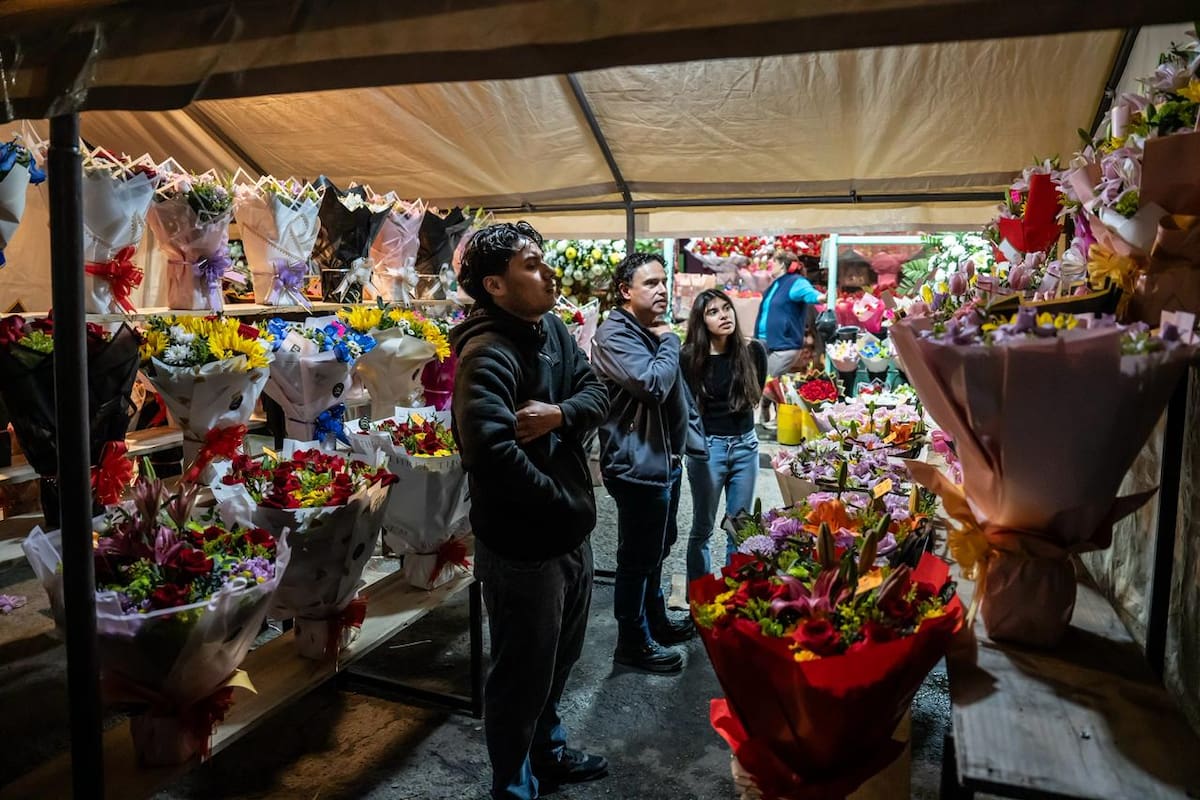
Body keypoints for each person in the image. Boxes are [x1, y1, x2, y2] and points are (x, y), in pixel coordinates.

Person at [451, 221, 610, 800]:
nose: (548, 273)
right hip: (523, 549)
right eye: (531, 264)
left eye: (545, 261)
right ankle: (513, 785)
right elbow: (490, 455)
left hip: (567, 536)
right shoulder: (488, 352)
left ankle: (548, 752)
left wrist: (559, 414)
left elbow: (597, 395)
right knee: (522, 675)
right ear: (494, 284)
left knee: (558, 662)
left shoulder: (556, 333)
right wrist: (565, 499)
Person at [591, 251, 706, 675]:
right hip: (636, 463)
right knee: (636, 559)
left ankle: (655, 621)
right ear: (626, 291)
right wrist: (671, 340)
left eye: (663, 282)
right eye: (650, 283)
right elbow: (654, 385)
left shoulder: (647, 330)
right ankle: (632, 642)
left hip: (662, 460)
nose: (662, 290)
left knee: (658, 550)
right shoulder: (615, 334)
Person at [681, 289, 768, 585]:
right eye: (713, 312)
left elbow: (756, 392)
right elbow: (685, 406)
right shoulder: (690, 358)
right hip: (708, 450)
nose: (724, 315)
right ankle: (700, 596)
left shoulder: (753, 351)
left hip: (746, 446)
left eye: (726, 308)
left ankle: (735, 595)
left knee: (740, 526)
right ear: (701, 321)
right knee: (702, 529)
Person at [754, 250, 823, 425]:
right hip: (766, 341)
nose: (771, 265)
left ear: (784, 265)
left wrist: (821, 297)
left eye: (774, 262)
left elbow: (810, 294)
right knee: (767, 379)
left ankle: (781, 418)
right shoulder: (776, 284)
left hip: (785, 343)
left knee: (769, 379)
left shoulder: (796, 282)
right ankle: (767, 415)